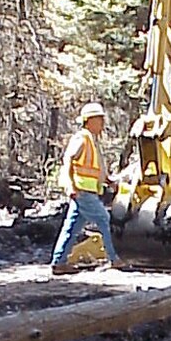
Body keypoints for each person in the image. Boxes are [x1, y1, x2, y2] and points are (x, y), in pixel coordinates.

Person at [50, 102, 126, 274]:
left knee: (71, 228)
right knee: (105, 220)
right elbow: (68, 160)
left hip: (86, 192)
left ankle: (58, 263)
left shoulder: (92, 140)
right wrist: (69, 185)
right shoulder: (82, 138)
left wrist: (108, 181)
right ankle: (115, 259)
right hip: (82, 191)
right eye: (99, 119)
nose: (102, 122)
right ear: (89, 120)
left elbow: (96, 168)